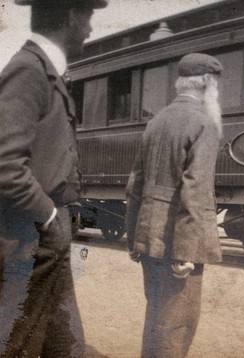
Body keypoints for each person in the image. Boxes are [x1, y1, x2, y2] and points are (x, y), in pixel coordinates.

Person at [0, 0, 107, 356]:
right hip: (28, 239)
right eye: (89, 17)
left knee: (65, 344)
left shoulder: (46, 71)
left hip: (45, 236)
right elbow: (6, 164)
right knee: (17, 345)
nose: (91, 29)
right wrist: (46, 214)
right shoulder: (29, 71)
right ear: (72, 16)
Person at [125, 53, 224, 357]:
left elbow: (135, 185)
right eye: (216, 85)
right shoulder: (203, 123)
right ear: (207, 83)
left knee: (156, 319)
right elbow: (195, 193)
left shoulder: (156, 121)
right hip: (178, 243)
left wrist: (133, 238)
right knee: (177, 326)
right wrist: (184, 252)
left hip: (149, 240)